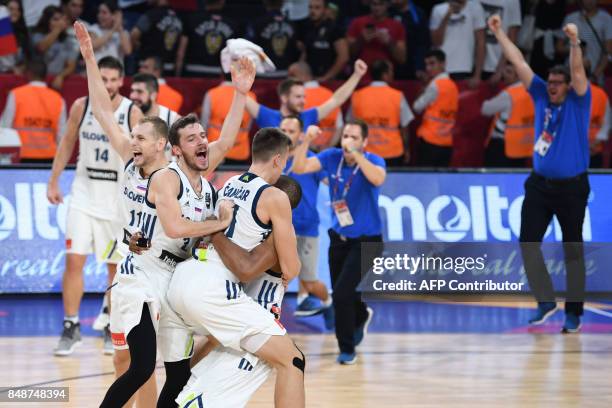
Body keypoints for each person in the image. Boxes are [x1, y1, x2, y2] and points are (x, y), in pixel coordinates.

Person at [75, 21, 255, 406]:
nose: (131, 141)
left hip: (176, 277)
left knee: (177, 372)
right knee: (139, 366)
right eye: (133, 137)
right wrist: (90, 58)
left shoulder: (187, 172)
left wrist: (241, 94)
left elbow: (224, 139)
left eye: (140, 137)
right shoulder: (133, 160)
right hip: (140, 270)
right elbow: (103, 110)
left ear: (162, 145)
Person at [167, 128, 305, 408]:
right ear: (279, 160)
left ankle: (183, 390)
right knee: (292, 361)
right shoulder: (274, 200)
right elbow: (290, 268)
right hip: (214, 287)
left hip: (185, 278)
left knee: (202, 363)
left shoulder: (228, 184)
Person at [490, 15, 591, 333]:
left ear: (568, 87)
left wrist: (574, 42)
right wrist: (498, 33)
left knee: (572, 248)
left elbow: (577, 71)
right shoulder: (538, 94)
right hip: (539, 186)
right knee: (527, 242)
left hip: (572, 188)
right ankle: (545, 301)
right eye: (549, 82)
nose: (552, 87)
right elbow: (517, 60)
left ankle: (574, 312)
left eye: (557, 83)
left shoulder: (579, 99)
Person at [47, 54, 142, 357]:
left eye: (114, 79)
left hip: (117, 205)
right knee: (74, 260)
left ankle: (110, 325)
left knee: (114, 269)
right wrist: (53, 181)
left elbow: (141, 157)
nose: (109, 85)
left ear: (122, 81)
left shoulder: (131, 111)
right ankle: (70, 325)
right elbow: (66, 143)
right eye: (104, 79)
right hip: (84, 196)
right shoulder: (81, 105)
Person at [292, 119, 386, 365]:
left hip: (368, 241)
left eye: (355, 137)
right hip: (339, 239)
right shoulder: (332, 157)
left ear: (364, 142)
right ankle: (362, 315)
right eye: (346, 135)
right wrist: (307, 141)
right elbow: (299, 167)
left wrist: (358, 154)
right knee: (348, 292)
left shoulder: (373, 161)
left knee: (343, 293)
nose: (348, 141)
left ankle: (347, 348)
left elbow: (377, 179)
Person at [279, 117, 334, 325]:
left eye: (291, 130)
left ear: (300, 135)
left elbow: (333, 182)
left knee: (310, 282)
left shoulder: (312, 160)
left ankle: (328, 302)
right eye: (283, 129)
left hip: (306, 228)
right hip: (280, 228)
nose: (286, 134)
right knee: (275, 277)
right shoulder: (274, 158)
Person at [246, 59, 368, 131]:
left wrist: (357, 75)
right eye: (298, 97)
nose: (303, 101)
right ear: (284, 98)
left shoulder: (307, 116)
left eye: (304, 97)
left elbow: (336, 100)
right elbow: (243, 96)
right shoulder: (268, 116)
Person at [347, 59, 414, 166]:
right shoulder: (397, 96)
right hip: (393, 152)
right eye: (391, 71)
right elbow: (405, 127)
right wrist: (407, 149)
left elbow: (350, 126)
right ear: (385, 75)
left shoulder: (357, 96)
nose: (393, 74)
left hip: (365, 153)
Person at [0, 58, 66, 163]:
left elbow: (4, 127)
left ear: (28, 73)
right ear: (45, 75)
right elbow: (62, 135)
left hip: (21, 157)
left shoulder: (16, 94)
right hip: (49, 158)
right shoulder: (58, 99)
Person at [481, 61, 535, 167]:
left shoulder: (509, 93)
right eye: (504, 71)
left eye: (509, 72)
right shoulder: (532, 91)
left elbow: (485, 109)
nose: (504, 75)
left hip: (504, 145)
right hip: (523, 144)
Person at [413, 49, 459, 167]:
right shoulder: (453, 85)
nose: (428, 68)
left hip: (430, 140)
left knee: (425, 180)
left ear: (443, 64)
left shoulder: (435, 85)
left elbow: (417, 107)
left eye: (432, 63)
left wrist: (423, 87)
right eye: (427, 64)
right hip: (446, 140)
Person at [175, 0, 240, 77]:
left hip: (192, 72)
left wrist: (177, 74)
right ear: (222, 1)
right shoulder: (232, 25)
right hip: (217, 74)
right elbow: (234, 56)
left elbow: (180, 53)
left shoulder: (191, 19)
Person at [202, 73, 256, 165]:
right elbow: (249, 126)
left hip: (215, 150)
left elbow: (204, 124)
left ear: (222, 74)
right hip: (240, 151)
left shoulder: (212, 94)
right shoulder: (251, 96)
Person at [288, 61, 343, 151]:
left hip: (303, 151)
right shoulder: (330, 95)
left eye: (291, 76)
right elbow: (339, 126)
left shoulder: (295, 97)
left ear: (302, 76)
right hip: (327, 151)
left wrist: (312, 147)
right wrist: (328, 146)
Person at [430, 0, 486, 87]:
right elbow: (436, 42)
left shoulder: (475, 8)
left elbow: (481, 42)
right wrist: (448, 15)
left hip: (465, 69)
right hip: (442, 69)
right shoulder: (438, 9)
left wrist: (477, 75)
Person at [556, 0, 612, 85]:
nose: (589, 1)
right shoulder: (570, 18)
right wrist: (575, 48)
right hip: (570, 74)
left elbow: (608, 52)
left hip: (594, 76)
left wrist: (594, 76)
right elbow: (558, 47)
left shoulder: (606, 19)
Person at [296, 0, 349, 82]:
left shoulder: (335, 29)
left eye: (317, 8)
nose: (312, 11)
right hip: (311, 79)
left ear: (326, 10)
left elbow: (343, 57)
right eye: (310, 7)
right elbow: (305, 53)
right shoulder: (307, 28)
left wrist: (326, 77)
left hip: (331, 81)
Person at [346, 0, 406, 71]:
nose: (377, 8)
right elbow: (348, 54)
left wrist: (389, 42)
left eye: (381, 4)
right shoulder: (357, 22)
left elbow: (402, 59)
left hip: (385, 76)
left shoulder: (397, 25)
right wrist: (361, 39)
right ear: (369, 4)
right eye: (374, 4)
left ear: (387, 5)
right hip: (361, 75)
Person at [247, 0, 300, 78]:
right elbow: (297, 51)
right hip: (286, 74)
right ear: (283, 2)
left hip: (263, 76)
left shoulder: (257, 23)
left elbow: (248, 49)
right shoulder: (293, 24)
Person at [31, 5, 78, 90]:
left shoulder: (68, 41)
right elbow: (41, 48)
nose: (60, 22)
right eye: (55, 19)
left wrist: (61, 76)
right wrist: (58, 29)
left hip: (56, 82)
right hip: (38, 80)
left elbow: (71, 66)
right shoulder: (37, 35)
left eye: (61, 19)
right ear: (47, 21)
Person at [130, 0, 182, 76]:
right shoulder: (179, 17)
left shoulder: (151, 15)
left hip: (147, 68)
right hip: (169, 68)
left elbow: (134, 33)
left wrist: (136, 45)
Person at [477, 0, 521, 83]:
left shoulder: (513, 2)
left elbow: (512, 37)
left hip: (496, 64)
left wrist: (500, 70)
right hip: (472, 65)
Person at [390, 0, 430, 80]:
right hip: (391, 65)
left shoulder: (418, 14)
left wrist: (420, 66)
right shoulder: (388, 12)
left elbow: (423, 43)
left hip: (412, 66)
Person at [0, 0, 32, 73]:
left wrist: (23, 67)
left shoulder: (22, 34)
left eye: (18, 10)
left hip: (16, 75)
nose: (15, 13)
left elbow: (29, 57)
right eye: (11, 9)